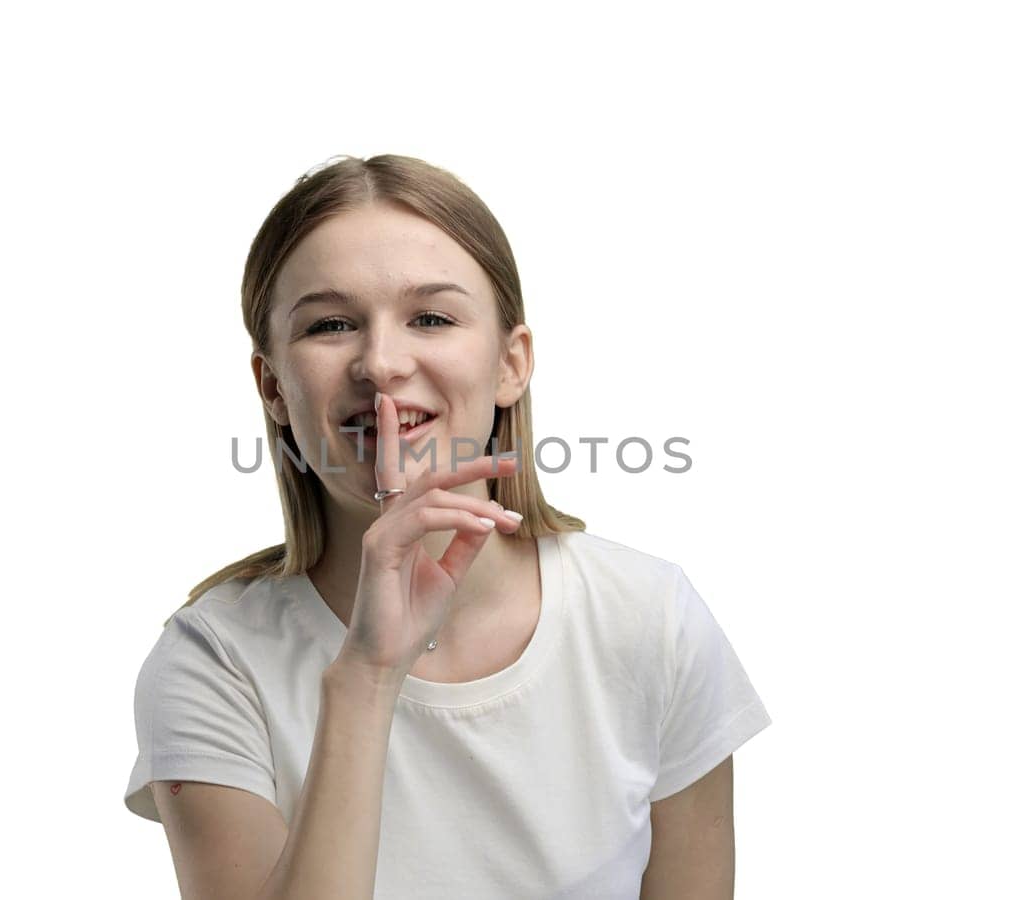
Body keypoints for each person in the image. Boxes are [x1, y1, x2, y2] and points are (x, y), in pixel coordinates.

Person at [123, 154, 772, 899]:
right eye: (331, 325)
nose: (382, 363)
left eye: (430, 317)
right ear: (273, 386)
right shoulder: (212, 662)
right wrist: (367, 677)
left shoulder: (649, 617)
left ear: (510, 363)